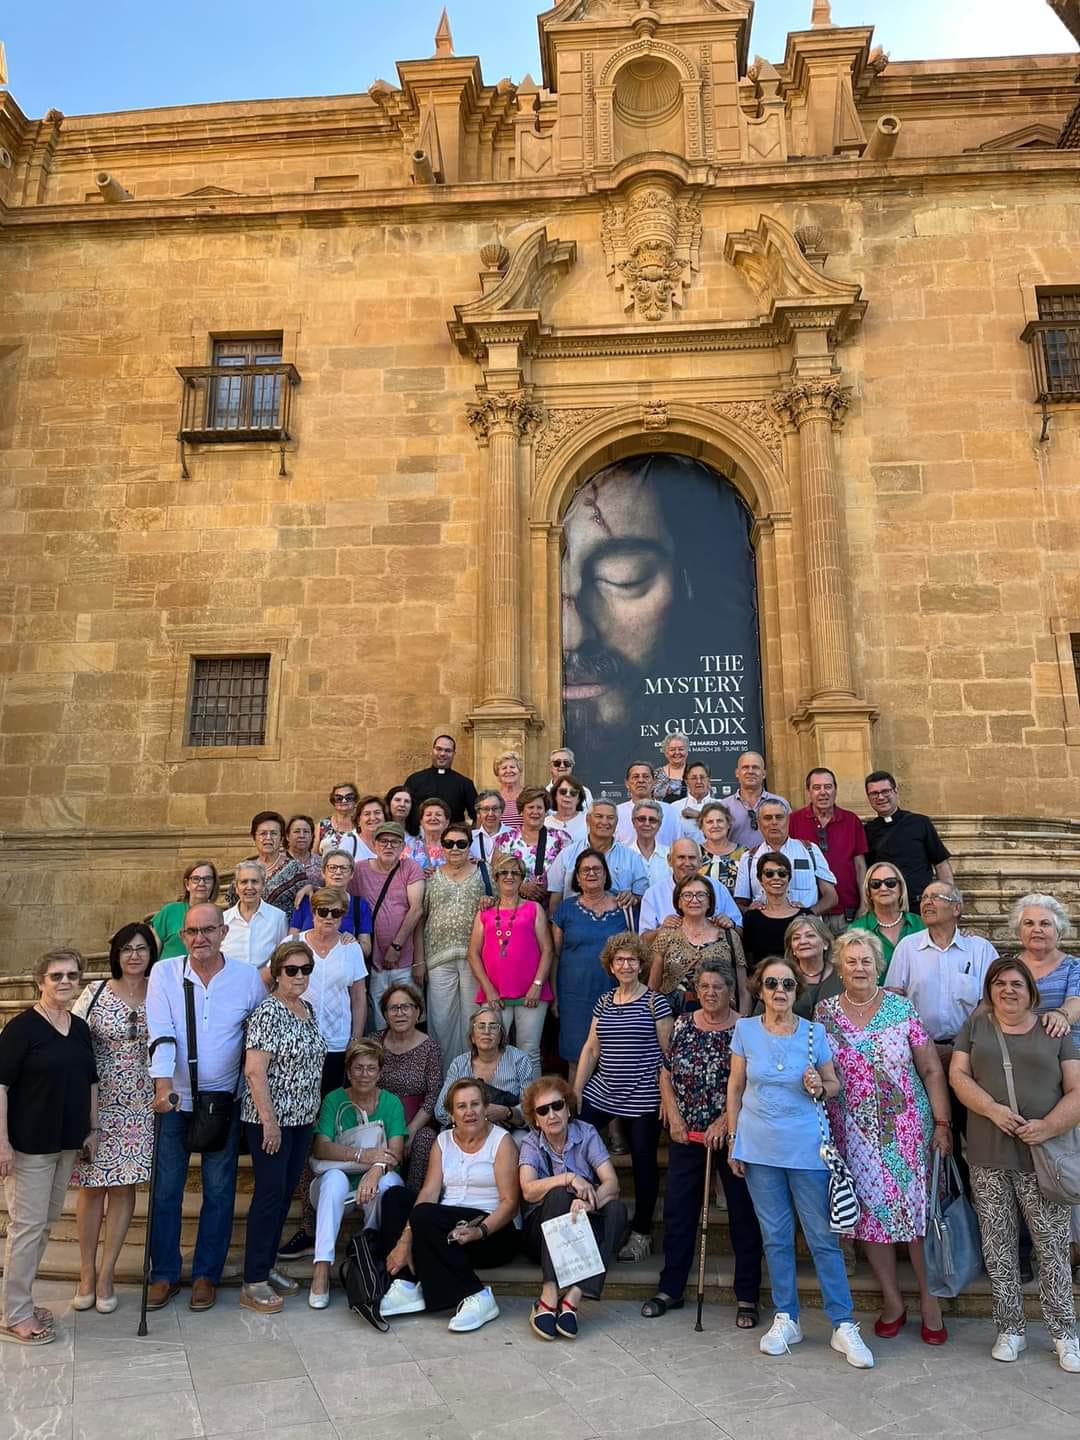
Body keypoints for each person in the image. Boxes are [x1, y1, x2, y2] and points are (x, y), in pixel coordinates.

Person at [727, 957, 875, 1369]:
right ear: (760, 989)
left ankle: (842, 1323)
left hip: (807, 1148)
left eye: (788, 984)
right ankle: (786, 1316)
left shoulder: (814, 1032)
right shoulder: (745, 1030)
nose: (779, 990)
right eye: (771, 983)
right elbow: (736, 1087)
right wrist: (734, 1140)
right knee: (774, 1236)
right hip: (758, 1149)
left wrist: (818, 1085)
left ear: (797, 991)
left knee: (823, 1238)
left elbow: (834, 1085)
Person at [816, 931, 953, 1345]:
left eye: (866, 961)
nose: (859, 968)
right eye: (851, 961)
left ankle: (931, 1303)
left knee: (917, 1221)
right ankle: (893, 1302)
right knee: (870, 1221)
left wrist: (944, 1124)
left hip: (907, 1131)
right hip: (852, 1135)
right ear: (839, 967)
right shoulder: (824, 1013)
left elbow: (931, 1068)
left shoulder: (899, 1006)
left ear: (878, 965)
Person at [950, 957, 1080, 1371]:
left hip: (1043, 1158)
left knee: (1053, 1247)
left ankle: (1064, 1333)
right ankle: (1010, 1328)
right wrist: (991, 1109)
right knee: (999, 1245)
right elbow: (958, 1076)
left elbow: (1077, 1089)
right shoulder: (976, 1027)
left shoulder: (1054, 1030)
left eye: (1017, 984)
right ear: (989, 990)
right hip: (989, 1155)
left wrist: (1048, 1126)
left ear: (1031, 991)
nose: (1009, 990)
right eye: (1000, 983)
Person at [145, 904, 265, 1311]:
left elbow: (255, 1036)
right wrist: (162, 1087)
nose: (201, 938)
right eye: (192, 931)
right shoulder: (164, 973)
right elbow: (160, 1031)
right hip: (175, 1099)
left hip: (223, 1101)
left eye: (208, 930)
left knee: (218, 1190)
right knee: (165, 1191)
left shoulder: (247, 978)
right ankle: (163, 1273)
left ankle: (205, 1275)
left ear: (223, 931)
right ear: (183, 936)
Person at [646, 960, 762, 1325]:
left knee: (744, 1216)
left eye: (718, 987)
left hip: (733, 1136)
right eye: (704, 987)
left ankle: (747, 1296)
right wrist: (673, 1115)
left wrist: (725, 1120)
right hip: (686, 1134)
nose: (710, 993)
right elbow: (665, 1072)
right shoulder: (682, 1023)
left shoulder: (746, 1028)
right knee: (679, 1213)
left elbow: (752, 1084)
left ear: (731, 990)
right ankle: (671, 1288)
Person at [0, 948, 98, 1345]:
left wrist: (92, 1128)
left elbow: (91, 1081)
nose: (64, 982)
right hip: (29, 1146)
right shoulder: (21, 1029)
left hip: (66, 1145)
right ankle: (15, 1315)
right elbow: (0, 1087)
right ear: (40, 981)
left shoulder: (78, 1028)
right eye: (56, 975)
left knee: (42, 1227)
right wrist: (2, 1143)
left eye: (72, 975)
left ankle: (19, 1303)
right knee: (26, 1228)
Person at [379, 1078, 520, 1332]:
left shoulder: (502, 1141)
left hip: (489, 1231)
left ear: (486, 1107)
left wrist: (480, 1231)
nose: (470, 1112)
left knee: (424, 1216)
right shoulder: (443, 1141)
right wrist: (404, 1240)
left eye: (475, 1104)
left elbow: (510, 1203)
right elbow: (430, 1190)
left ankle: (476, 1295)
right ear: (452, 1113)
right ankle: (407, 1283)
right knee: (395, 1198)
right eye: (462, 1106)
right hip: (444, 1223)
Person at [71, 924, 157, 1315]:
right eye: (126, 949)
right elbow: (71, 1042)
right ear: (116, 955)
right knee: (91, 1189)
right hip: (97, 1102)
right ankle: (86, 1274)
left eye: (141, 948)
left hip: (141, 1104)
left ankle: (107, 1275)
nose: (134, 955)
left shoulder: (162, 991)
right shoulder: (95, 993)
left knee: (123, 1188)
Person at [240, 939, 327, 1313]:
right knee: (270, 1195)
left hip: (302, 1120)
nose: (299, 976)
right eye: (291, 969)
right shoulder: (268, 1013)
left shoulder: (307, 1010)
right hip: (270, 1121)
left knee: (284, 1193)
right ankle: (253, 1280)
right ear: (276, 973)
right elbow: (254, 1071)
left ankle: (268, 1265)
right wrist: (269, 1123)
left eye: (306, 969)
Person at [574, 933, 673, 1262]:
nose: (626, 965)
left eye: (632, 960)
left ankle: (641, 1233)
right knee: (575, 1143)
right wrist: (576, 1091)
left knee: (644, 1164)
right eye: (620, 960)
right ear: (611, 966)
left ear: (641, 964)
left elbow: (667, 1054)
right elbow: (591, 1049)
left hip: (643, 1096)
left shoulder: (654, 1002)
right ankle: (582, 1218)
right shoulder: (604, 1001)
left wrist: (667, 1097)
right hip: (604, 1090)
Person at [519, 1075, 627, 1339]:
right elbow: (528, 1190)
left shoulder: (586, 1133)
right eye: (543, 1110)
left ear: (568, 1109)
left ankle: (574, 1297)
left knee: (616, 1210)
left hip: (579, 1232)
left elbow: (611, 1182)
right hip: (542, 1238)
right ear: (535, 1119)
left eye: (557, 1106)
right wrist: (568, 1178)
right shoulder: (531, 1143)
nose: (552, 1115)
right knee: (556, 1194)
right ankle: (550, 1292)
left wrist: (590, 1204)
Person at [308, 1038, 407, 1309]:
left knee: (389, 1183)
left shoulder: (390, 1102)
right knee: (333, 1180)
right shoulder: (334, 1099)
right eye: (358, 1068)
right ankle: (322, 1266)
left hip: (371, 1183)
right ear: (349, 1071)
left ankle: (369, 1254)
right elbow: (321, 1145)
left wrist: (374, 1171)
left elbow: (395, 1152)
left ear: (380, 1072)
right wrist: (364, 1156)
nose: (364, 1074)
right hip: (334, 1183)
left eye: (371, 1068)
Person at [466, 850, 554, 1077]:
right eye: (503, 872)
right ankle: (498, 1103)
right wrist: (489, 990)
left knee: (529, 1050)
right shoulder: (484, 913)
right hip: (494, 994)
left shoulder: (533, 909)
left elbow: (547, 949)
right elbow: (473, 954)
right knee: (493, 1049)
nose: (509, 876)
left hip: (530, 993)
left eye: (515, 872)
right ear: (495, 878)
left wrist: (537, 984)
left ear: (522, 877)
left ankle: (533, 1106)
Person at [551, 850, 629, 1072]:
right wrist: (554, 995)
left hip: (614, 994)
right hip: (574, 996)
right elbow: (555, 955)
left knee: (613, 1059)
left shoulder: (624, 906)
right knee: (576, 1058)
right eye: (585, 870)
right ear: (577, 877)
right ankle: (575, 1106)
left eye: (597, 869)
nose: (591, 873)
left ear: (606, 875)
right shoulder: (565, 909)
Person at [348, 821, 426, 1024]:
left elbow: (416, 908)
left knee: (408, 1016)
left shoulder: (410, 867)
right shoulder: (359, 870)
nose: (388, 846)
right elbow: (338, 892)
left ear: (402, 847)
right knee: (381, 1020)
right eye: (383, 841)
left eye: (395, 842)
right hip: (374, 961)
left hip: (405, 958)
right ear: (374, 844)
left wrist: (397, 945)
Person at [423, 822, 486, 1064]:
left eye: (461, 843)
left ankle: (472, 1074)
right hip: (438, 956)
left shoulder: (485, 873)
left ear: (470, 846)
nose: (455, 848)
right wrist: (420, 962)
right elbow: (422, 916)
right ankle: (446, 1078)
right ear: (442, 846)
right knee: (441, 1020)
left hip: (475, 958)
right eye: (449, 843)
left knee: (473, 1018)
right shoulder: (431, 876)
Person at [295, 887, 369, 1092]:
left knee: (331, 1103)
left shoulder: (351, 948)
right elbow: (270, 980)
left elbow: (358, 998)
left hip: (337, 1040)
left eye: (336, 913)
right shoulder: (293, 943)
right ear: (313, 912)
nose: (329, 917)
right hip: (298, 1041)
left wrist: (356, 1038)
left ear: (343, 915)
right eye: (323, 911)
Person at [649, 875, 748, 1015]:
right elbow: (653, 987)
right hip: (672, 1019)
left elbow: (743, 989)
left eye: (701, 895)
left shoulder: (728, 936)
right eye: (687, 895)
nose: (694, 900)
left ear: (710, 901)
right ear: (678, 902)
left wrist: (742, 1022)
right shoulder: (666, 935)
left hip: (721, 1020)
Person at [379, 983, 442, 1190]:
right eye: (393, 1008)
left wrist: (411, 1129)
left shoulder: (430, 1047)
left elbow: (434, 1093)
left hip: (417, 1120)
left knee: (425, 1139)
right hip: (380, 1119)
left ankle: (414, 1203)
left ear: (417, 1013)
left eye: (406, 1007)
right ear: (385, 1014)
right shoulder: (374, 1042)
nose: (400, 1013)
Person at [789, 768, 868, 930]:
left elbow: (860, 866)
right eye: (817, 788)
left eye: (828, 787)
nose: (823, 792)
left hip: (846, 913)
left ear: (835, 789)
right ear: (808, 792)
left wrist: (864, 904)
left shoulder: (851, 820)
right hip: (807, 912)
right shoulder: (793, 820)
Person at [434, 1006, 534, 1131]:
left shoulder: (520, 1060)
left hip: (508, 1130)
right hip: (466, 1130)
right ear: (472, 1037)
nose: (487, 1031)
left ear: (501, 1036)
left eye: (493, 1026)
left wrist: (506, 1112)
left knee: (521, 1140)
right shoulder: (459, 1064)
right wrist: (473, 1117)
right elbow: (440, 1111)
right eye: (481, 1026)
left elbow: (530, 1110)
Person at [863, 771, 954, 907]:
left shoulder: (920, 823)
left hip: (921, 905)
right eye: (874, 793)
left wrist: (949, 899)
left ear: (895, 791)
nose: (880, 797)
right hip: (887, 908)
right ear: (869, 797)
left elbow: (941, 864)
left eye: (885, 791)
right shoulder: (867, 831)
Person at [734, 799, 838, 916]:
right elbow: (740, 903)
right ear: (758, 823)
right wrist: (750, 910)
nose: (774, 822)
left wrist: (807, 915)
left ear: (788, 820)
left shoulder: (810, 850)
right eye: (767, 818)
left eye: (779, 817)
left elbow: (831, 897)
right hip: (765, 927)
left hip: (804, 928)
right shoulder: (749, 858)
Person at [545, 800, 650, 908]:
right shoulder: (567, 855)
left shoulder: (631, 857)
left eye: (610, 817)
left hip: (618, 922)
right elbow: (555, 895)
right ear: (587, 820)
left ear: (617, 822)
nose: (605, 822)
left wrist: (633, 898)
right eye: (599, 816)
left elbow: (643, 896)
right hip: (574, 922)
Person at [1009, 893, 1080, 1040]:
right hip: (1019, 1053)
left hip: (1069, 1054)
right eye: (1029, 923)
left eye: (1045, 924)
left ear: (1058, 930)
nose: (1036, 929)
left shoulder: (1074, 966)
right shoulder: (1007, 967)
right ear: (1018, 930)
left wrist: (1062, 1015)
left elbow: (1076, 1000)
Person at [640, 837, 742, 936]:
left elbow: (740, 931)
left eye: (692, 858)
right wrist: (661, 930)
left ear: (701, 862)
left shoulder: (717, 888)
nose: (687, 863)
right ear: (669, 860)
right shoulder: (653, 894)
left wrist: (730, 925)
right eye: (681, 857)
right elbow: (643, 939)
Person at [847, 861, 924, 979]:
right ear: (869, 892)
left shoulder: (922, 924)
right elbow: (851, 974)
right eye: (875, 884)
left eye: (890, 883)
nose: (883, 888)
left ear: (900, 888)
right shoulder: (856, 929)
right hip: (875, 996)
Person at [492, 786, 571, 900]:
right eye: (530, 807)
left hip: (552, 907)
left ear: (545, 812)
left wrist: (550, 888)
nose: (535, 812)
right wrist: (521, 887)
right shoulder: (505, 840)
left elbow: (569, 876)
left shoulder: (561, 839)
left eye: (539, 808)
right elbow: (495, 876)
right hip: (515, 907)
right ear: (521, 811)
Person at [225, 811, 307, 917]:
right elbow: (233, 903)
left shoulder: (295, 869)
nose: (268, 838)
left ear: (281, 838)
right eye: (263, 833)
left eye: (273, 833)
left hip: (283, 929)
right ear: (254, 837)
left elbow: (304, 907)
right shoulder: (245, 868)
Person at [740, 852, 807, 969]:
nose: (776, 878)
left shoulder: (805, 916)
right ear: (760, 879)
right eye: (769, 874)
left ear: (788, 878)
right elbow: (748, 960)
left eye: (782, 874)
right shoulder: (751, 918)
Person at [403, 733, 478, 835]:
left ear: (454, 754)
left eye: (448, 750)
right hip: (419, 838)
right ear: (432, 751)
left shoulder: (465, 783)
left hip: (452, 842)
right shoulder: (414, 780)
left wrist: (467, 836)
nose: (442, 754)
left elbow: (477, 816)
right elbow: (404, 812)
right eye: (439, 749)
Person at [290, 850, 373, 941]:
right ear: (323, 872)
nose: (338, 872)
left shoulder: (360, 905)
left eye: (344, 868)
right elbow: (292, 939)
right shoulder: (307, 899)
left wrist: (354, 942)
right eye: (332, 867)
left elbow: (366, 947)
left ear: (352, 874)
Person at [221, 860, 288, 967]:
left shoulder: (278, 918)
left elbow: (282, 956)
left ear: (263, 886)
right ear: (236, 888)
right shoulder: (223, 920)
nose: (249, 887)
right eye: (244, 882)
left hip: (265, 982)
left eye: (255, 881)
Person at [776, 917, 843, 1019]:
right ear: (792, 948)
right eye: (796, 938)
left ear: (825, 943)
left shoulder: (843, 974)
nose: (802, 941)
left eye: (810, 936)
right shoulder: (780, 976)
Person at [152, 861, 220, 960]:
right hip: (168, 973)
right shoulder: (170, 911)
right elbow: (153, 951)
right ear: (187, 884)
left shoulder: (219, 916)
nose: (201, 883)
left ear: (213, 884)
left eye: (207, 879)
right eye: (196, 879)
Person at [720, 751, 786, 848]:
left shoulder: (781, 804)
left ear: (764, 774)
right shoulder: (723, 806)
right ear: (737, 773)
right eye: (745, 767)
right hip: (737, 861)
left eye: (755, 767)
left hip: (772, 860)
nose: (750, 771)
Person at [618, 762, 678, 845]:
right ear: (627, 783)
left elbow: (677, 844)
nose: (641, 780)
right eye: (635, 777)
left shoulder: (670, 812)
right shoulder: (617, 813)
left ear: (654, 782)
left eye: (646, 776)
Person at [697, 800, 745, 897]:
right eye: (710, 822)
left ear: (728, 824)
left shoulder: (744, 853)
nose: (715, 825)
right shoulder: (694, 853)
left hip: (738, 910)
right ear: (701, 826)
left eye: (720, 821)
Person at [666, 760, 719, 841]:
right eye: (694, 778)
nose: (699, 781)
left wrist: (698, 815)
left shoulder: (721, 805)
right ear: (687, 782)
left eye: (702, 777)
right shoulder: (675, 808)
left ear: (709, 780)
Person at [626, 800, 671, 886]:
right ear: (633, 822)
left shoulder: (670, 854)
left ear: (659, 824)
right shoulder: (624, 856)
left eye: (652, 820)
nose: (647, 823)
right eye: (642, 819)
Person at [405, 796, 451, 874]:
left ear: (447, 822)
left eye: (438, 815)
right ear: (421, 821)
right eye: (428, 815)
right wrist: (418, 874)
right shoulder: (410, 846)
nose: (433, 818)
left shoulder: (456, 846)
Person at [316, 782, 362, 858]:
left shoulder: (363, 824)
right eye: (339, 798)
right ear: (333, 802)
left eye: (349, 797)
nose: (344, 801)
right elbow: (313, 856)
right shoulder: (322, 825)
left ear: (355, 800)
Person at [545, 772, 589, 847]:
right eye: (563, 791)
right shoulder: (545, 823)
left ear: (579, 798)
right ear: (555, 795)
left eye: (573, 793)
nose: (567, 795)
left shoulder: (588, 822)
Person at [470, 789, 507, 878]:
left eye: (495, 809)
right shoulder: (469, 838)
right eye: (486, 809)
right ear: (479, 813)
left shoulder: (515, 836)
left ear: (501, 811)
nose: (490, 814)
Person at [547, 747, 594, 813]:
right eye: (557, 763)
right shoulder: (544, 794)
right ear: (550, 767)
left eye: (566, 763)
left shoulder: (585, 792)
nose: (562, 766)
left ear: (572, 766)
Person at [493, 750, 526, 837]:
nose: (508, 771)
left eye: (512, 767)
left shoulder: (529, 796)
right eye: (504, 768)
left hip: (524, 846)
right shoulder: (493, 798)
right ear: (498, 773)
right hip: (497, 847)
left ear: (520, 771)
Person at [285, 815, 323, 887]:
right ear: (287, 836)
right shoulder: (279, 863)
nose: (302, 835)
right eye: (297, 831)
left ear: (312, 836)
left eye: (306, 831)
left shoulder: (322, 863)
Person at [652, 732, 690, 802]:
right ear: (666, 753)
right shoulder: (656, 774)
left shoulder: (695, 772)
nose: (677, 753)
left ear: (687, 751)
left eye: (681, 749)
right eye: (672, 750)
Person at [353, 794, 388, 862]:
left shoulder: (394, 841)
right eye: (367, 814)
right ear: (358, 821)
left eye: (377, 813)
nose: (372, 818)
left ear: (385, 818)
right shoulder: (350, 841)